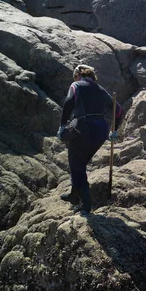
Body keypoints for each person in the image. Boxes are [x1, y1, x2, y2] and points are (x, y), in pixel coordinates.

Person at [57, 64, 122, 214]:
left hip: (83, 127)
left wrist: (62, 126)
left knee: (77, 165)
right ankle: (74, 194)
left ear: (78, 75)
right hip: (101, 130)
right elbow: (118, 111)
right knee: (79, 162)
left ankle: (86, 205)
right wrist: (114, 130)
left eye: (75, 77)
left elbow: (69, 102)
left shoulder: (76, 85)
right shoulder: (101, 90)